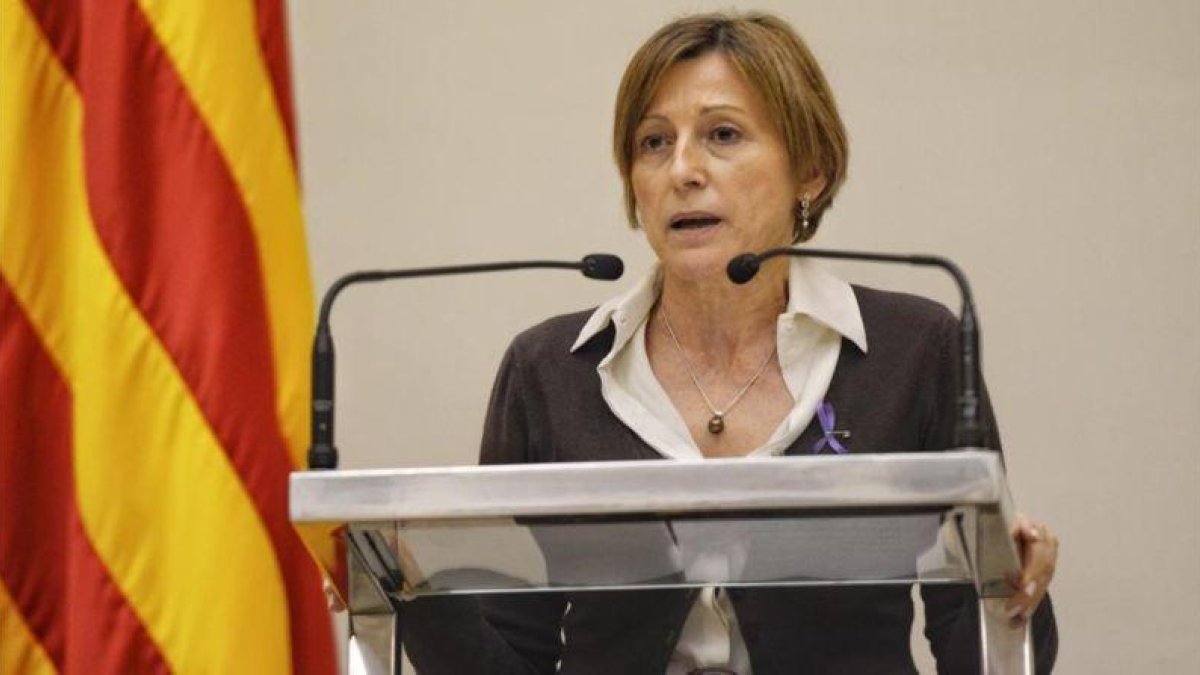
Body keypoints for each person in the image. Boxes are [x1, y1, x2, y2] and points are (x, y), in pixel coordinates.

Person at [403, 11, 1058, 673]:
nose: (683, 169)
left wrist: (1016, 588)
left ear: (811, 170)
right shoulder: (549, 371)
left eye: (722, 134)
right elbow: (508, 654)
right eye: (654, 142)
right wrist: (411, 586)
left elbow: (981, 648)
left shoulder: (912, 350)